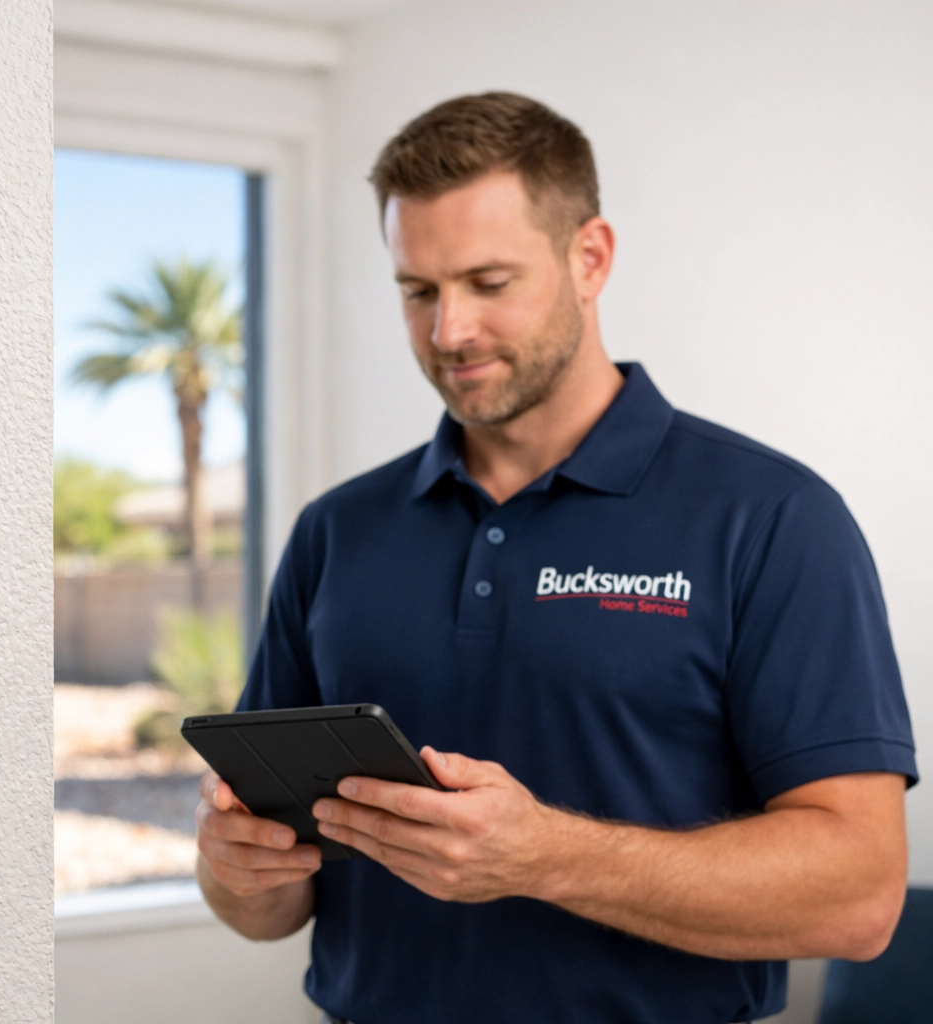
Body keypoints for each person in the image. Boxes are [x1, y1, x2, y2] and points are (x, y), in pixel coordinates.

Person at [194, 92, 917, 1023]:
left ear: (590, 258)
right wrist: (238, 871)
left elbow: (859, 898)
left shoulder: (774, 518)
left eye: (489, 283)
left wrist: (543, 857)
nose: (449, 331)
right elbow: (269, 908)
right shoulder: (336, 531)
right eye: (418, 291)